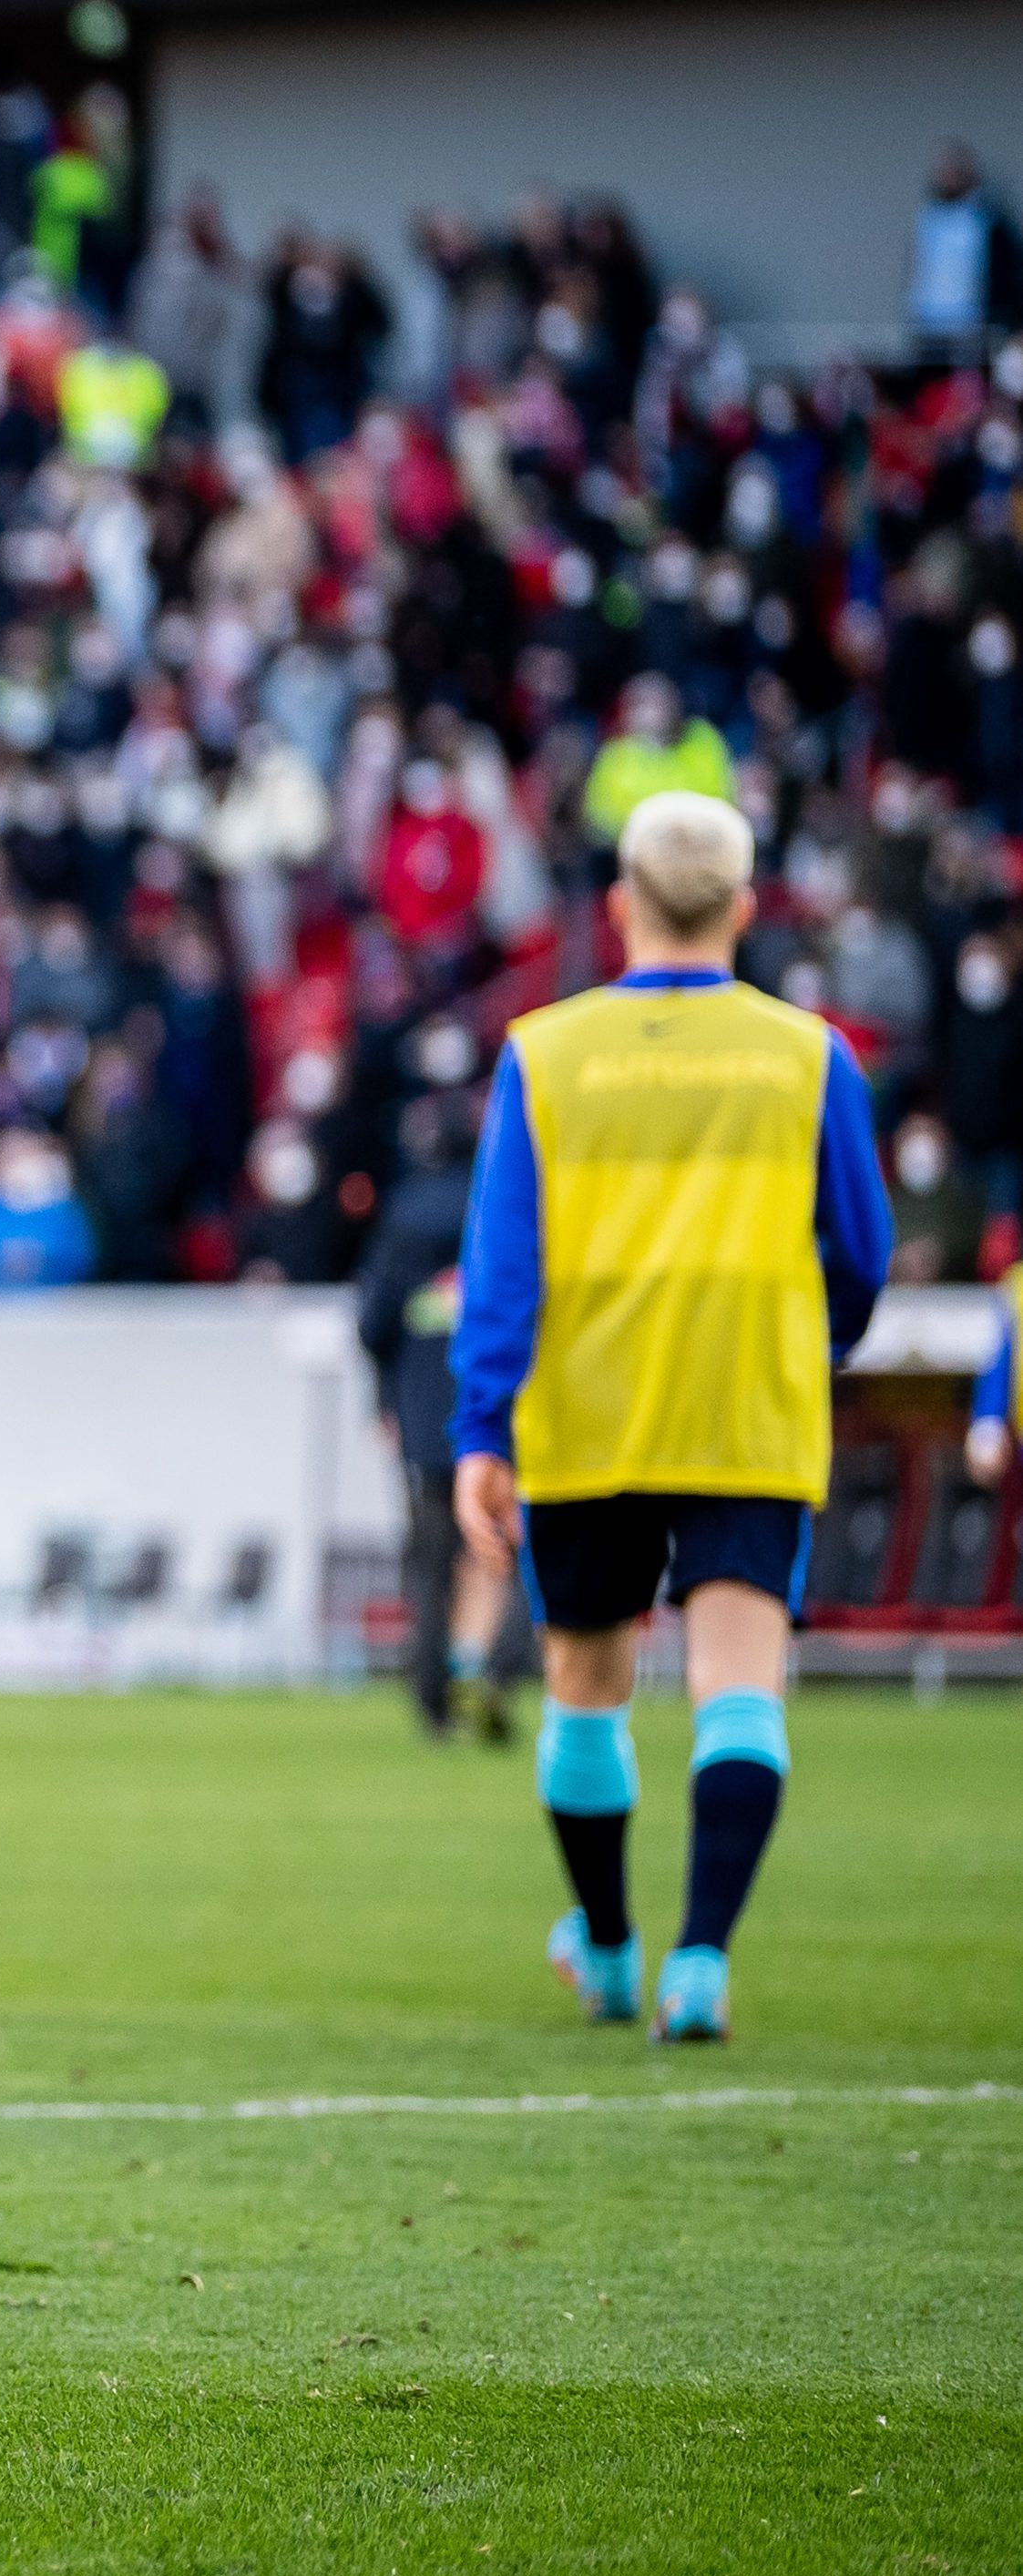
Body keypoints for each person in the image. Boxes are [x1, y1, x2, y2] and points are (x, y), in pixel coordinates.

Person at [448, 792, 890, 2050]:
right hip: (745, 1405)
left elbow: (500, 1267)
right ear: (746, 909)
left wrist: (481, 1427)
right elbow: (857, 1252)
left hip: (587, 1410)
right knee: (736, 1686)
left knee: (583, 1690)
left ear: (617, 905)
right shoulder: (809, 1056)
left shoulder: (544, 1052)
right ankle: (698, 1961)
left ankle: (602, 1946)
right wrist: (809, 1349)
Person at [360, 1088, 522, 1743]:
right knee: (516, 1555)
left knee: (430, 1565)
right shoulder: (502, 1208)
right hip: (504, 1411)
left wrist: (385, 1400)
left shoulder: (402, 1216)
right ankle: (502, 1670)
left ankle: (431, 1699)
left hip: (427, 1417)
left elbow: (373, 1323)